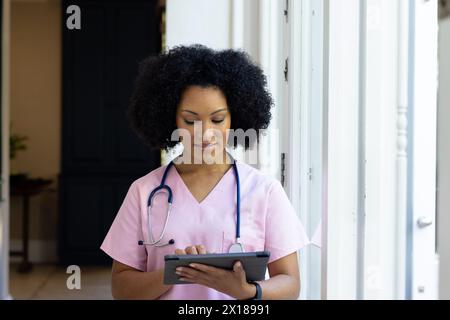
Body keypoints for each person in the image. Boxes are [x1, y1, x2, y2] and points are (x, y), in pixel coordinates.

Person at [100, 44, 309, 300]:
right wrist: (173, 272)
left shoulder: (265, 191)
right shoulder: (144, 192)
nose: (205, 133)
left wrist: (247, 291)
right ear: (170, 118)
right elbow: (122, 289)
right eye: (190, 120)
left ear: (235, 117)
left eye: (218, 119)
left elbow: (291, 284)